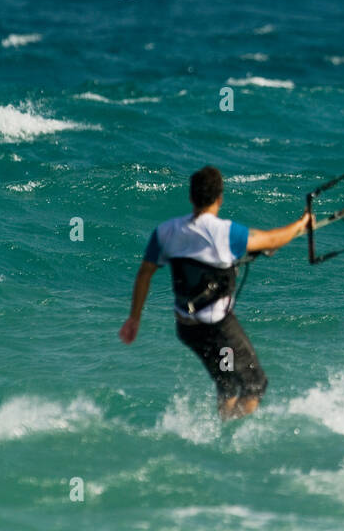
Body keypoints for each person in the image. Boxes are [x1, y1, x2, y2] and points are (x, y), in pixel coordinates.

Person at [118, 165, 309, 420]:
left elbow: (144, 274)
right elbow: (272, 240)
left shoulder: (165, 232)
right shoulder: (225, 233)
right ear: (220, 198)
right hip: (219, 330)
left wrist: (134, 318)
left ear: (191, 197)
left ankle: (222, 426)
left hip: (188, 329)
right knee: (255, 385)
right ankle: (230, 432)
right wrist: (302, 224)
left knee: (227, 381)